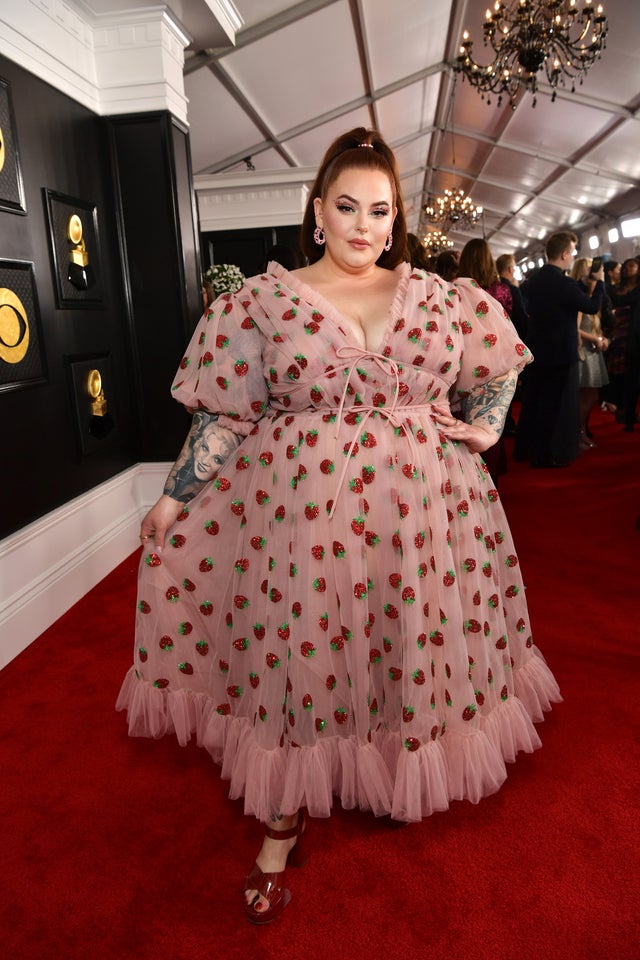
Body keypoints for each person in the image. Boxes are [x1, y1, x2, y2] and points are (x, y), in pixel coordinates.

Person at [116, 127, 561, 925]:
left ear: (397, 219)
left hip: (423, 510)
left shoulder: (435, 295)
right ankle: (282, 819)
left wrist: (489, 427)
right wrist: (177, 497)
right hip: (302, 516)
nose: (364, 225)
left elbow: (502, 361)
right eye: (347, 206)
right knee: (306, 648)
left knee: (403, 638)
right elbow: (225, 413)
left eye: (380, 210)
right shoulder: (260, 301)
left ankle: (383, 766)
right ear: (317, 211)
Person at [515, 231, 604, 468]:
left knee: (535, 402)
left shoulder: (533, 280)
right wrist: (601, 283)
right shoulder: (564, 284)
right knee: (559, 406)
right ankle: (554, 453)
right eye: (573, 252)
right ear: (564, 254)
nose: (573, 257)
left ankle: (528, 449)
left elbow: (525, 308)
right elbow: (592, 306)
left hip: (537, 349)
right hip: (561, 353)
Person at [458, 238, 513, 483]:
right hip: (496, 360)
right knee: (487, 428)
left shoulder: (454, 290)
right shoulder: (500, 289)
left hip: (464, 363)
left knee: (465, 425)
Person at [570, 258, 609, 448]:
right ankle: (575, 433)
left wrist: (602, 338)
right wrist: (596, 339)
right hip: (584, 350)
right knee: (587, 395)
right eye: (588, 267)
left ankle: (579, 432)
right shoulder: (579, 294)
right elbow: (575, 328)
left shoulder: (593, 294)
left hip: (592, 350)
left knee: (590, 395)